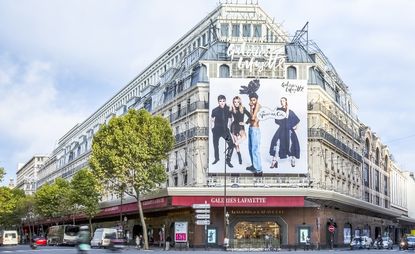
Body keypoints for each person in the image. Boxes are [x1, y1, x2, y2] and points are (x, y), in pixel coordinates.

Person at [269, 97, 300, 168]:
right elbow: (275, 118)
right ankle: (274, 161)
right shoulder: (279, 110)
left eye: (283, 101)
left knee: (291, 145)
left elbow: (297, 120)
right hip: (281, 130)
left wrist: (296, 127)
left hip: (289, 130)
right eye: (281, 101)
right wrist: (275, 111)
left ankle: (293, 160)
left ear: (286, 101)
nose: (282, 102)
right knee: (276, 143)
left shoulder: (290, 111)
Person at [240, 79, 262, 175]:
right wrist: (245, 123)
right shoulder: (254, 106)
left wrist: (250, 107)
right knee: (250, 148)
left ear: (256, 99)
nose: (252, 101)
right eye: (251, 100)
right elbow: (250, 119)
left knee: (255, 149)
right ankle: (254, 165)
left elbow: (253, 117)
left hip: (255, 130)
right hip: (251, 129)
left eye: (253, 100)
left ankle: (259, 170)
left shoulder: (257, 105)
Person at [211, 94, 234, 168]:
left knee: (231, 145)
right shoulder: (214, 110)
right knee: (215, 145)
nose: (222, 102)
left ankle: (228, 160)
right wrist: (212, 129)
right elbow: (212, 120)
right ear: (218, 102)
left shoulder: (228, 109)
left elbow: (230, 120)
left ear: (225, 101)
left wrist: (231, 129)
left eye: (223, 101)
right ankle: (216, 158)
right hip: (216, 131)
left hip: (225, 131)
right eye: (220, 101)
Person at [230, 96, 251, 164]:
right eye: (235, 102)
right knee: (237, 144)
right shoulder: (232, 109)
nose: (236, 103)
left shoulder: (243, 108)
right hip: (234, 126)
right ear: (233, 102)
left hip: (241, 126)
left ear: (240, 102)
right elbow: (228, 117)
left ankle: (233, 145)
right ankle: (239, 156)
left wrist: (245, 123)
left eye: (237, 102)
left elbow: (250, 116)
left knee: (244, 137)